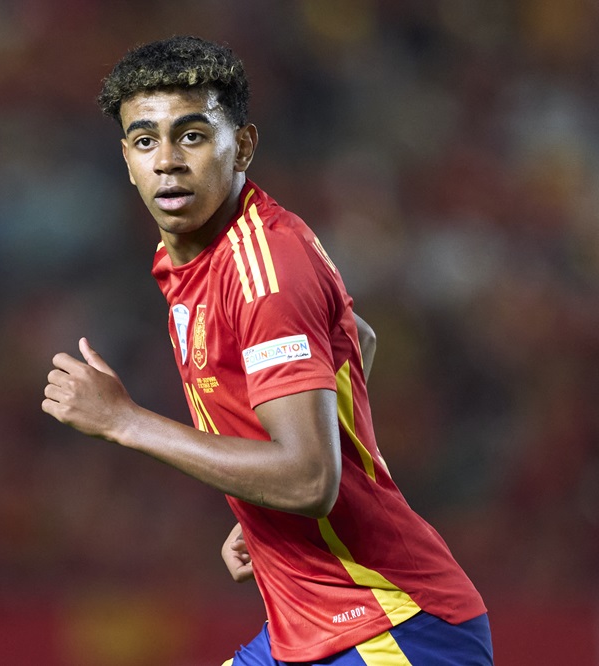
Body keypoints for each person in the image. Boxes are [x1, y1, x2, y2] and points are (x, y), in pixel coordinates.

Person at [41, 35, 493, 665]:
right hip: (310, 630)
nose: (167, 161)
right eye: (146, 141)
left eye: (192, 136)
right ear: (126, 157)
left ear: (244, 145)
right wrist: (269, 508)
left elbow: (309, 478)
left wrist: (125, 421)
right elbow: (352, 340)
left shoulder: (266, 267)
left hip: (393, 627)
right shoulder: (195, 261)